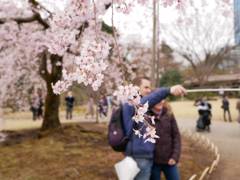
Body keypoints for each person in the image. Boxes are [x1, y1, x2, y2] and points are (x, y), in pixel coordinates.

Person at [122, 77, 186, 180]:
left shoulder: (162, 113)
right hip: (141, 157)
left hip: (149, 158)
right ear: (136, 88)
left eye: (149, 88)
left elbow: (176, 136)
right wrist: (169, 90)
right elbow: (152, 98)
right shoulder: (134, 104)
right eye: (146, 87)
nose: (148, 90)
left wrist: (174, 156)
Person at [149, 100, 181, 180]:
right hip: (153, 162)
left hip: (169, 160)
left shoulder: (169, 114)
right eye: (158, 99)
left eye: (162, 99)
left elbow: (176, 136)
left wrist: (175, 156)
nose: (160, 101)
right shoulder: (146, 116)